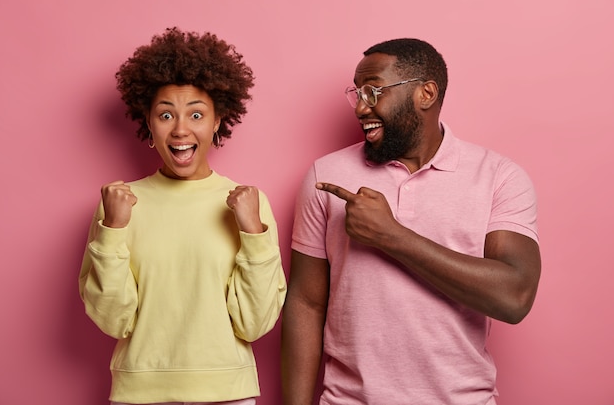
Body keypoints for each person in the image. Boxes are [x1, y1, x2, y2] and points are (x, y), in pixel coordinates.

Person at [281, 38, 541, 405]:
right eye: (356, 93)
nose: (359, 107)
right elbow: (306, 303)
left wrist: (392, 237)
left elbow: (515, 296)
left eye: (373, 91)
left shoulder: (498, 176)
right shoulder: (326, 174)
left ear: (426, 93)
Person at [79, 27, 287, 405]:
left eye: (196, 114)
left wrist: (253, 231)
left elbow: (255, 324)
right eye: (165, 115)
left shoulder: (247, 204)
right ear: (148, 123)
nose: (180, 129)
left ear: (218, 120)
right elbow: (113, 320)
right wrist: (113, 229)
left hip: (228, 393)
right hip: (140, 393)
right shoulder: (120, 204)